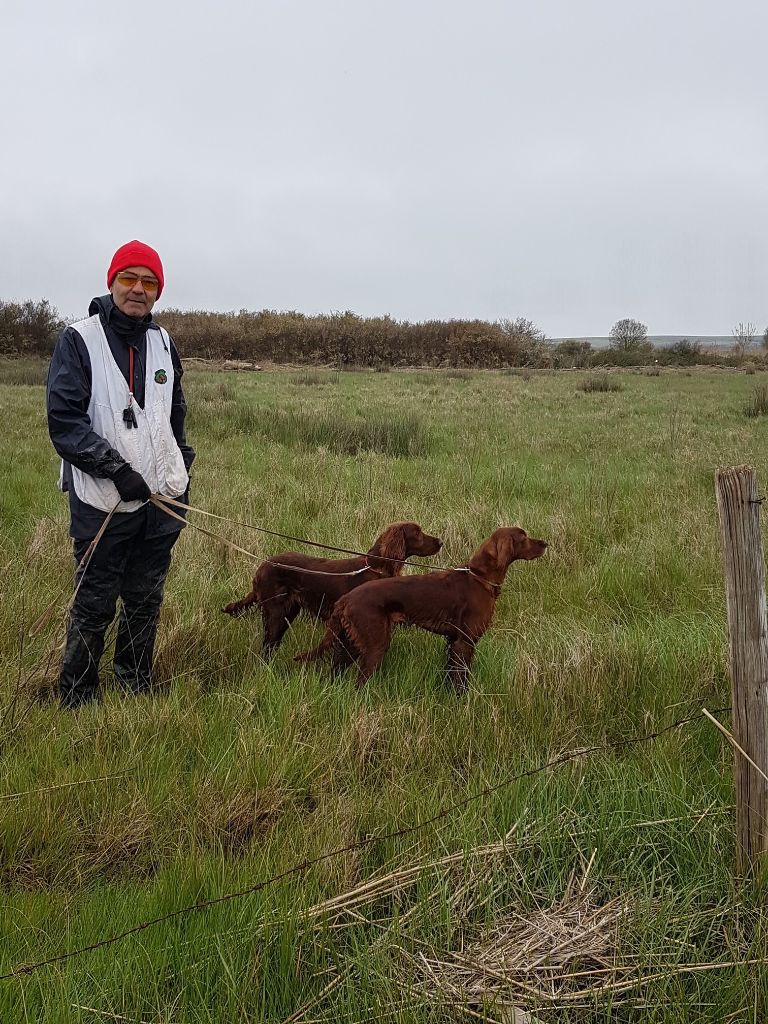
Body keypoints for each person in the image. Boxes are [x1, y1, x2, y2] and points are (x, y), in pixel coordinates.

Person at [47, 240, 195, 709]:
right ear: (111, 282)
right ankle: (77, 696)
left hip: (161, 503)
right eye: (129, 278)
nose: (138, 289)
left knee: (145, 600)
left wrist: (182, 471)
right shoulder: (79, 339)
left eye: (149, 282)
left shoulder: (164, 342)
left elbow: (174, 416)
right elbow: (65, 422)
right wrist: (116, 470)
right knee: (94, 602)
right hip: (103, 500)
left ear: (158, 292)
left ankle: (134, 685)